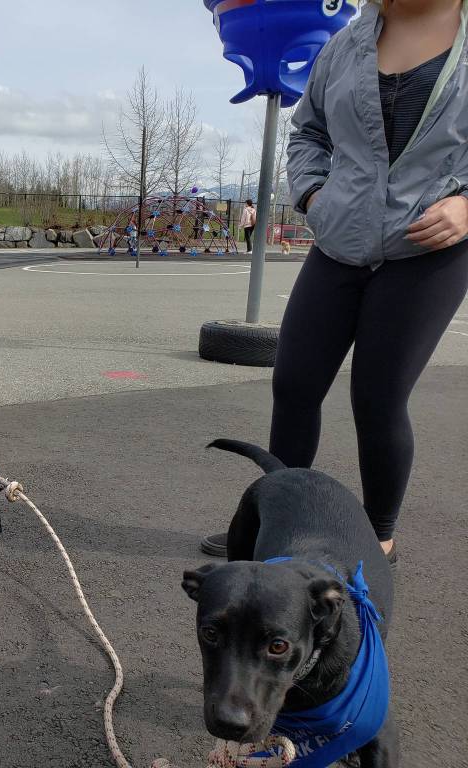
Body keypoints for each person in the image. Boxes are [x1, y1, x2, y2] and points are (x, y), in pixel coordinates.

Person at [201, 0, 468, 563]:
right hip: (339, 238)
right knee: (294, 386)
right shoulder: (345, 44)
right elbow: (309, 134)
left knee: (377, 398)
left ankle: (376, 546)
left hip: (427, 249)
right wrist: (314, 196)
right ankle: (279, 525)